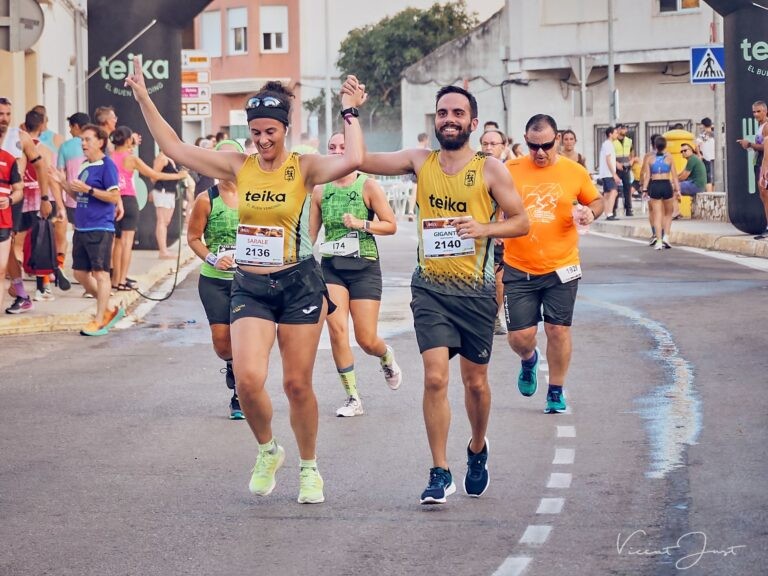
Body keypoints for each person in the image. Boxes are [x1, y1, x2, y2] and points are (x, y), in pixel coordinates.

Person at [126, 54, 368, 504]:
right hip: (252, 286)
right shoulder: (239, 165)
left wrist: (350, 111)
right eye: (255, 132)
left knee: (297, 384)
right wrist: (143, 97)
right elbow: (177, 149)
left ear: (285, 130)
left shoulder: (305, 167)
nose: (261, 141)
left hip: (298, 284)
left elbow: (356, 157)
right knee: (248, 380)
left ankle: (309, 468)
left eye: (269, 132)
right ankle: (267, 449)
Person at [359, 85, 529, 505]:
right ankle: (439, 470)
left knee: (476, 384)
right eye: (441, 113)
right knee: (435, 377)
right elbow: (360, 159)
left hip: (476, 292)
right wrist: (350, 113)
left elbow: (522, 221)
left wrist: (484, 229)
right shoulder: (421, 162)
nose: (448, 119)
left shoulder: (490, 169)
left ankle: (476, 447)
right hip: (430, 288)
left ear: (472, 123)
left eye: (457, 113)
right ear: (434, 120)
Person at [503, 114, 603, 416]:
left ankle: (556, 390)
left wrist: (590, 213)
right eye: (534, 147)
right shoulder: (510, 170)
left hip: (562, 266)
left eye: (546, 145)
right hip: (519, 266)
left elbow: (596, 201)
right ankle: (529, 359)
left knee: (558, 330)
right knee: (519, 337)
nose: (541, 153)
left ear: (557, 139)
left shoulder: (574, 171)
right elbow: (491, 202)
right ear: (525, 141)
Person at [309, 132, 401, 418]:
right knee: (337, 331)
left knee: (366, 339)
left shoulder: (368, 185)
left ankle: (385, 355)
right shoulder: (320, 190)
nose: (338, 151)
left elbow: (390, 225)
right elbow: (310, 236)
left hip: (364, 267)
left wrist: (362, 223)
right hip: (332, 266)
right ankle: (352, 397)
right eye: (332, 147)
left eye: (343, 147)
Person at [187, 139, 245, 420]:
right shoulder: (206, 199)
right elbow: (193, 238)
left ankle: (240, 397)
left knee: (247, 339)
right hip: (215, 280)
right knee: (223, 343)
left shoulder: (255, 196)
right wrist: (212, 258)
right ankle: (232, 364)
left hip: (249, 281)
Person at [51, 124, 125, 335]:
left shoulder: (106, 166)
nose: (82, 143)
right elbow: (78, 196)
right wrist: (63, 182)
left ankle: (100, 320)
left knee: (101, 274)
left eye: (87, 139)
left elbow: (114, 196)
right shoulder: (85, 165)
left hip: (100, 227)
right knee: (80, 273)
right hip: (82, 227)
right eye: (82, 139)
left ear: (100, 142)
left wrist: (89, 189)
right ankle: (109, 309)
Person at [110, 126, 187, 290]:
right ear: (128, 140)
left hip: (113, 200)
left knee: (116, 242)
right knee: (127, 242)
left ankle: (115, 280)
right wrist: (178, 176)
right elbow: (155, 175)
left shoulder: (109, 156)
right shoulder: (131, 159)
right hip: (128, 200)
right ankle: (122, 280)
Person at [0, 97, 51, 313]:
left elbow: (41, 167)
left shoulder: (19, 138)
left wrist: (45, 198)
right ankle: (18, 290)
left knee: (9, 247)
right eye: (1, 114)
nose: (4, 119)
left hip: (12, 200)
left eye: (8, 114)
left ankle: (20, 291)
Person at [479, 128, 509, 335]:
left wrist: (500, 228)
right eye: (485, 144)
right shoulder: (473, 169)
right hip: (476, 234)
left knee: (499, 280)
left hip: (502, 236)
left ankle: (494, 316)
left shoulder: (509, 170)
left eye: (493, 144)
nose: (489, 148)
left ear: (503, 147)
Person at [641, 135, 679, 250]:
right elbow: (675, 176)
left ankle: (658, 241)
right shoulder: (670, 158)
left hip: (655, 186)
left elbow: (647, 176)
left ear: (655, 146)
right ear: (665, 146)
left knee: (657, 215)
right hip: (666, 185)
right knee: (668, 214)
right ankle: (666, 237)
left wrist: (644, 190)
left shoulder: (649, 159)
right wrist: (678, 190)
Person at [736, 100, 768, 239]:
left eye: (758, 111)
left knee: (766, 196)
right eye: (754, 111)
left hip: (764, 164)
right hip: (760, 163)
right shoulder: (760, 126)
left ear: (765, 111)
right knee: (764, 197)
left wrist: (749, 144)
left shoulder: (766, 126)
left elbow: (766, 148)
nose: (755, 114)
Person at [0, 142, 23, 313]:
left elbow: (19, 190)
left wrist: (9, 200)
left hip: (3, 221)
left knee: (1, 269)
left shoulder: (8, 159)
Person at [151, 149, 182, 258]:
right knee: (162, 221)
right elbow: (153, 176)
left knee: (166, 221)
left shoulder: (171, 159)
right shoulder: (162, 158)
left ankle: (164, 249)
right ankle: (162, 251)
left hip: (170, 191)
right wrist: (177, 176)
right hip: (162, 190)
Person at [405, 132, 430, 221]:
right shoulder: (427, 151)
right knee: (425, 194)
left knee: (414, 193)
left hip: (415, 174)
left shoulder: (414, 150)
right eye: (427, 139)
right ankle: (425, 212)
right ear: (425, 139)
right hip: (424, 174)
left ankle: (411, 211)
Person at [597, 126, 621, 220]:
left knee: (607, 194)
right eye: (615, 133)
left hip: (606, 173)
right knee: (613, 192)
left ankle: (607, 213)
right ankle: (609, 213)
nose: (617, 135)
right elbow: (608, 159)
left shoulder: (607, 144)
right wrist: (614, 174)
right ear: (610, 134)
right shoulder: (608, 144)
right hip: (608, 173)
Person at [613, 123, 634, 217]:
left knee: (627, 189)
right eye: (623, 129)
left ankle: (628, 209)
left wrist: (631, 161)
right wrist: (616, 164)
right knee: (615, 189)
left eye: (626, 128)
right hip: (615, 168)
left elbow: (632, 152)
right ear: (618, 129)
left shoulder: (629, 141)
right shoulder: (612, 141)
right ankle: (613, 210)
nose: (625, 130)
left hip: (626, 167)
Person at [696, 117, 715, 192]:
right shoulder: (715, 134)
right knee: (715, 178)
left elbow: (696, 145)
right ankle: (714, 194)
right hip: (715, 158)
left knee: (708, 178)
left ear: (703, 125)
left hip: (706, 158)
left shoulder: (703, 135)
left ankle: (710, 195)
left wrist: (699, 154)